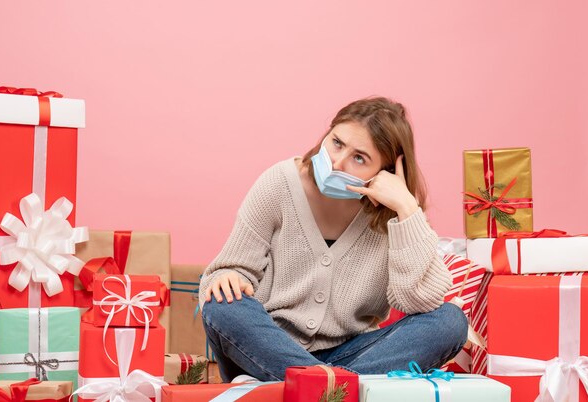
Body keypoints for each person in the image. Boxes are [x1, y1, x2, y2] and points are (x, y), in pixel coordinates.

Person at [199, 97, 468, 383]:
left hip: (352, 355)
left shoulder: (395, 217)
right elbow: (228, 271)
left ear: (384, 172)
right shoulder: (279, 183)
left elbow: (419, 302)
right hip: (266, 349)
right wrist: (230, 277)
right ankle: (336, 389)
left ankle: (317, 388)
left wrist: (406, 208)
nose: (337, 162)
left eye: (359, 158)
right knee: (221, 304)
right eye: (337, 142)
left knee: (449, 321)